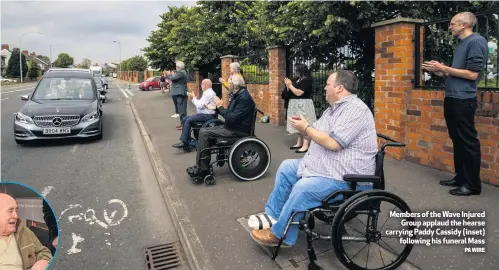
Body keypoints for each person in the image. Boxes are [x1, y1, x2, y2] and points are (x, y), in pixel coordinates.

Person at [248, 70, 378, 247]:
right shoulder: (333, 110)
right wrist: (303, 127)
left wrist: (307, 128)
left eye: (327, 84)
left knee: (303, 188)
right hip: (326, 167)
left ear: (339, 88)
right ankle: (274, 216)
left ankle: (282, 235)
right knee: (287, 167)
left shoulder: (355, 110)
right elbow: (314, 133)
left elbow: (333, 144)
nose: (324, 87)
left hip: (346, 178)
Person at [422, 12, 488, 196]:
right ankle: (461, 178)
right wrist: (441, 72)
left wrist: (444, 68)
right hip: (452, 97)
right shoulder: (462, 44)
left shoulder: (476, 41)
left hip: (464, 99)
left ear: (464, 24)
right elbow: (459, 73)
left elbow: (473, 74)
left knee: (467, 141)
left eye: (452, 24)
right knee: (457, 140)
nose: (449, 27)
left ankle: (473, 185)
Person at [187, 75, 256, 180]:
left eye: (229, 83)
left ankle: (203, 168)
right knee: (204, 131)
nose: (227, 85)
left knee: (204, 132)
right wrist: (216, 107)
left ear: (234, 85)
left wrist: (220, 106)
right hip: (231, 127)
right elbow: (229, 114)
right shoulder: (238, 95)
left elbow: (231, 118)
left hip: (237, 131)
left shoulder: (244, 99)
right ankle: (201, 165)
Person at [0, 193, 52, 270]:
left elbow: (44, 251)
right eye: (10, 211)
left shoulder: (23, 231)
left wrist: (43, 260)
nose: (16, 216)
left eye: (16, 211)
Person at [172, 79, 217, 152]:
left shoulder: (209, 93)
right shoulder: (207, 92)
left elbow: (199, 105)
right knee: (184, 119)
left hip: (208, 115)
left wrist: (194, 97)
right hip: (203, 114)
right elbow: (200, 103)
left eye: (202, 84)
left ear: (204, 85)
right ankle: (187, 142)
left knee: (188, 119)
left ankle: (184, 142)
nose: (201, 86)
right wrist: (193, 99)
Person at [284, 64, 316, 153]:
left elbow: (298, 93)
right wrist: (288, 87)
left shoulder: (307, 80)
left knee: (305, 122)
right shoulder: (297, 79)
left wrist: (290, 85)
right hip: (295, 104)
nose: (295, 72)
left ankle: (305, 145)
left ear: (302, 71)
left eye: (297, 70)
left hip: (303, 104)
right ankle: (299, 143)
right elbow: (290, 93)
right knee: (296, 123)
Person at [166, 61, 188, 128]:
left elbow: (173, 78)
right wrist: (172, 75)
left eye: (176, 66)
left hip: (180, 93)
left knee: (182, 110)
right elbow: (174, 78)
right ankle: (182, 123)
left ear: (179, 66)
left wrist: (169, 74)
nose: (175, 67)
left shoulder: (181, 72)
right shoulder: (180, 72)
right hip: (178, 93)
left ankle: (184, 125)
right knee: (180, 110)